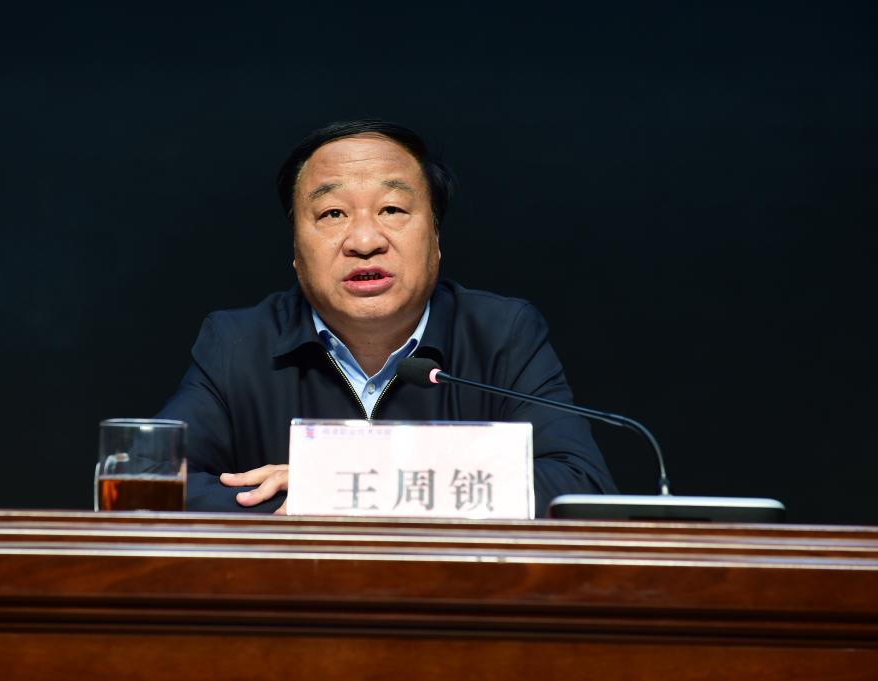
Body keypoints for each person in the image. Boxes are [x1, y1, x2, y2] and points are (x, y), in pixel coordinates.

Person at [157, 120, 616, 515]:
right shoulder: (238, 343)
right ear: (295, 250)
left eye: (392, 209)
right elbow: (154, 480)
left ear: (435, 238)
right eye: (332, 213)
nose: (364, 241)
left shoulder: (500, 334)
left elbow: (580, 488)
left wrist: (336, 485)